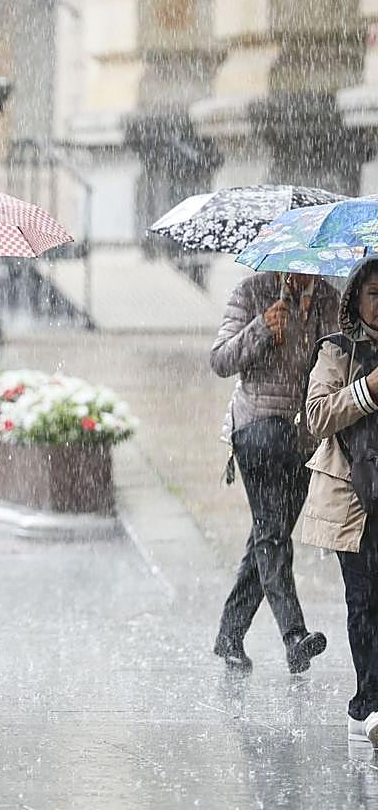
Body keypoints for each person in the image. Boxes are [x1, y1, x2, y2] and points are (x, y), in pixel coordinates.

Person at [210, 269, 336, 674]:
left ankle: (230, 633)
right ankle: (293, 636)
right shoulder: (252, 291)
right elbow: (220, 360)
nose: (300, 274)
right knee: (272, 532)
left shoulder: (329, 301)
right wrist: (260, 327)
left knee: (270, 533)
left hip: (304, 436)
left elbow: (339, 361)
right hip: (258, 428)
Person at [303, 258, 378, 745]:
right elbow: (316, 415)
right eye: (375, 293)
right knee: (365, 601)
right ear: (355, 299)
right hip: (356, 500)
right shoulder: (337, 351)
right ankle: (369, 703)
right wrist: (368, 389)